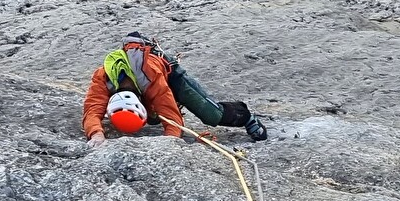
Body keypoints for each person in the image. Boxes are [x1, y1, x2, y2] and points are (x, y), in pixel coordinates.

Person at [83, 32, 268, 145]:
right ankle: (154, 109)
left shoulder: (149, 77)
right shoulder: (103, 77)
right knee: (154, 118)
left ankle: (246, 117)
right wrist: (96, 134)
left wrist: (170, 140)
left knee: (211, 115)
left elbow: (171, 117)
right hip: (149, 90)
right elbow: (92, 110)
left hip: (170, 76)